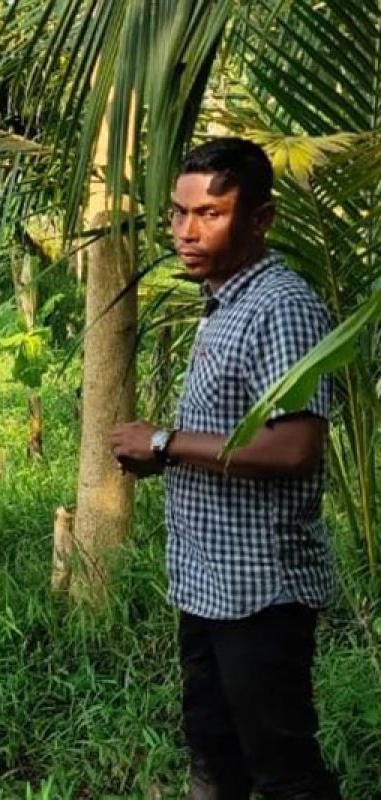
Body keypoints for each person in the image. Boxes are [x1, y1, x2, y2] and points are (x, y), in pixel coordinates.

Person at [110, 137, 340, 799]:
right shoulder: (225, 301)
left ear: (260, 219)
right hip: (210, 582)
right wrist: (168, 453)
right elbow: (232, 437)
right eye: (179, 214)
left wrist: (164, 442)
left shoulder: (281, 307)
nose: (186, 231)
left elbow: (294, 447)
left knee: (284, 769)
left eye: (209, 214)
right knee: (215, 751)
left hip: (261, 591)